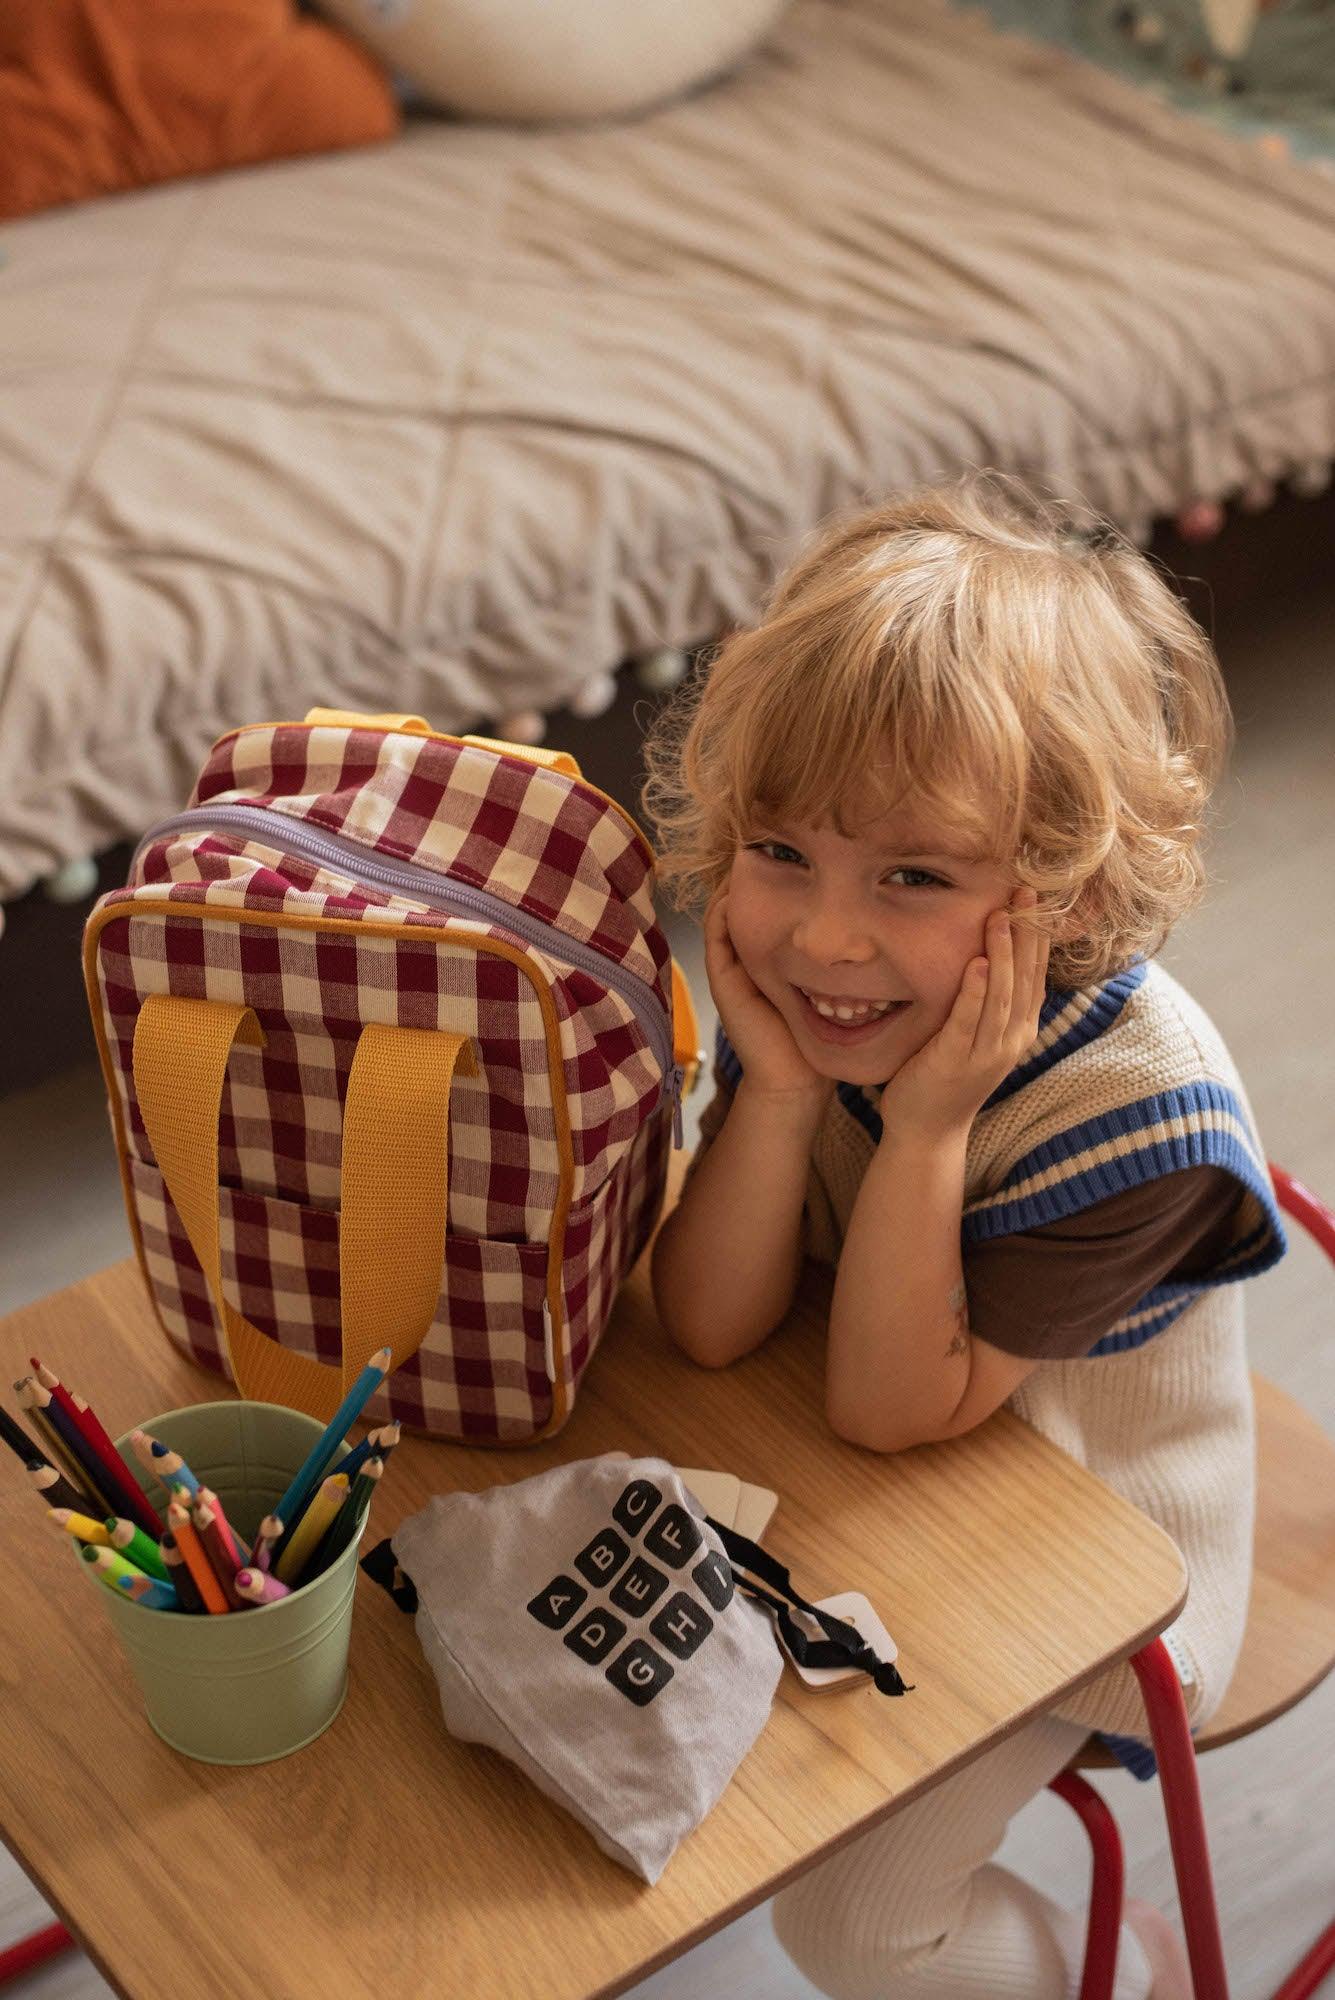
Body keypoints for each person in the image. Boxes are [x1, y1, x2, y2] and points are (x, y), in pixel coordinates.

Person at [642, 472, 1286, 2000]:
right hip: (894, 1496)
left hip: (1098, 1563)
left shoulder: (1142, 1113)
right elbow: (712, 1325)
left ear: (1058, 892)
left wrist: (928, 1130)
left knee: (850, 1922)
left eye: (912, 878)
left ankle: (1102, 1976)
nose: (824, 935)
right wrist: (783, 1092)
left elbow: (887, 1407)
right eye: (781, 851)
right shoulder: (824, 1008)